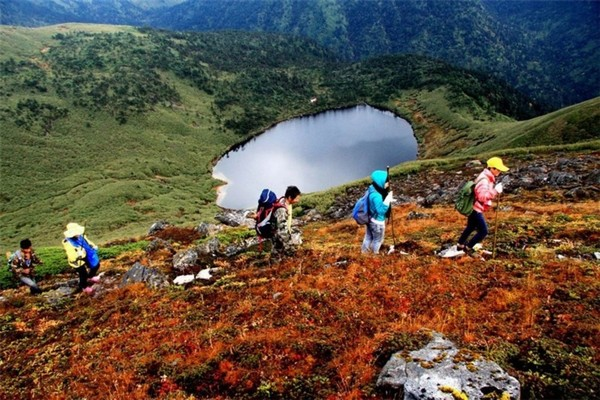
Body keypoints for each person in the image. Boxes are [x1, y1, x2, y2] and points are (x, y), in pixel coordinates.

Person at [456, 156, 509, 254]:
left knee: (471, 227)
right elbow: (482, 197)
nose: (500, 172)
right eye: (498, 169)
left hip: (473, 207)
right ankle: (468, 248)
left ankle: (460, 245)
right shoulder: (484, 180)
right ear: (492, 168)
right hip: (476, 208)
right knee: (483, 231)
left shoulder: (486, 177)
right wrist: (495, 191)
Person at [62, 222, 101, 294]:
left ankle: (91, 276)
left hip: (87, 254)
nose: (78, 233)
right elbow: (70, 253)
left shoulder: (81, 236)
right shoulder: (68, 242)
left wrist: (93, 246)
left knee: (96, 265)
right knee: (83, 273)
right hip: (77, 260)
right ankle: (84, 286)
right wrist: (77, 255)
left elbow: (88, 242)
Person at [361, 170, 394, 254]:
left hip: (370, 219)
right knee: (378, 240)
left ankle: (364, 253)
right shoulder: (377, 196)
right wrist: (388, 199)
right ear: (381, 181)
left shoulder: (372, 188)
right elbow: (381, 211)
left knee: (368, 237)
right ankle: (374, 255)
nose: (388, 184)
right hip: (377, 222)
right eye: (386, 182)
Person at [272, 186, 302, 257]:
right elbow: (282, 230)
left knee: (280, 256)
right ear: (289, 197)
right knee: (278, 256)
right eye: (296, 199)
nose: (298, 201)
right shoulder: (281, 210)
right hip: (279, 237)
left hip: (282, 235)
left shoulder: (289, 204)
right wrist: (290, 245)